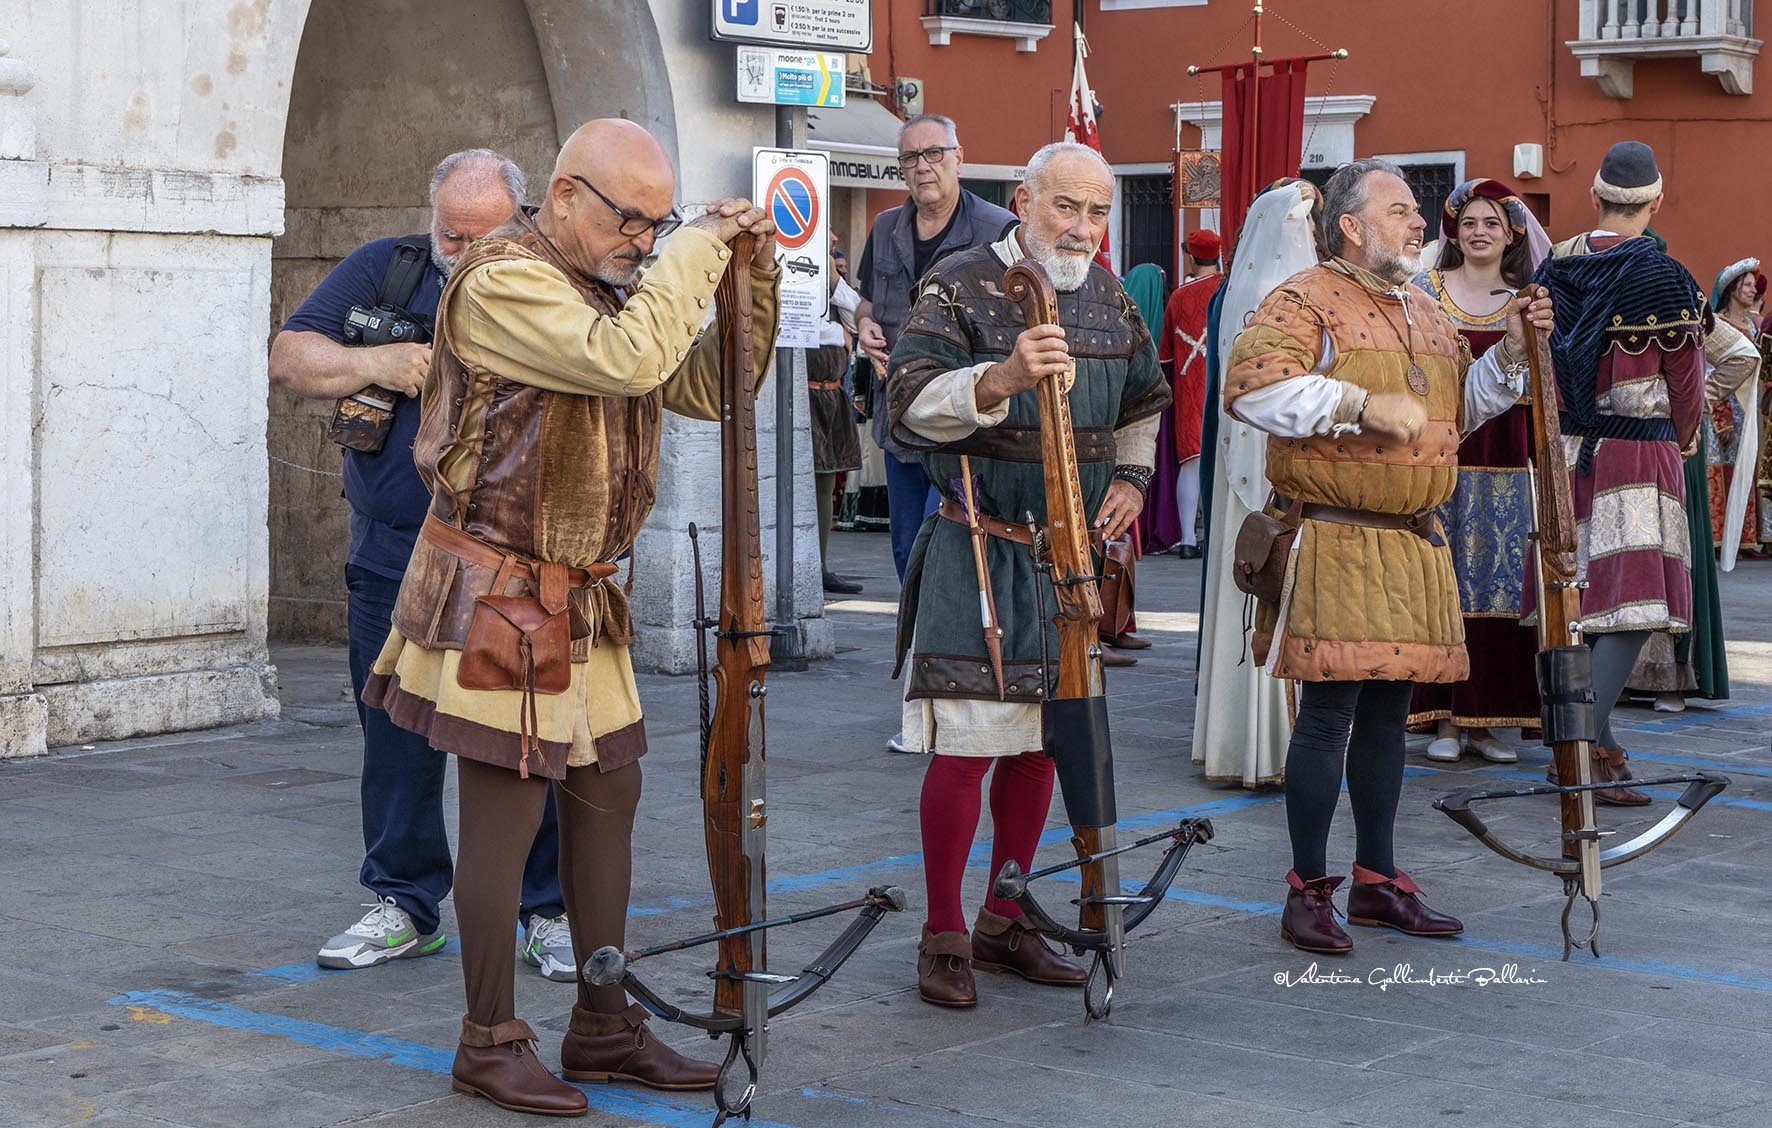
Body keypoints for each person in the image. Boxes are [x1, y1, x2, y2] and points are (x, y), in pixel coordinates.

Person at [361, 119, 781, 1115]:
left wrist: (751, 283)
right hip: (500, 592)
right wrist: (694, 249)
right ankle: (486, 1040)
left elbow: (706, 385)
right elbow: (627, 361)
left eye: (657, 222)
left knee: (607, 794)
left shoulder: (605, 284)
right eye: (630, 219)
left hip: (580, 590)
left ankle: (602, 1025)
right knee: (505, 814)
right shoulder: (502, 280)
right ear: (563, 196)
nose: (643, 239)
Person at [1225, 157, 1553, 954]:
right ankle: (1307, 892)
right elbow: (1254, 390)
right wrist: (1360, 404)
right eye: (1400, 210)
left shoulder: (1427, 309)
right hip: (1335, 536)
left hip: (1414, 542)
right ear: (1351, 226)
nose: (1418, 223)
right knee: (1329, 715)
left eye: (1414, 211)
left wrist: (1511, 352)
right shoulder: (1301, 298)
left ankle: (1376, 881)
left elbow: (1459, 410)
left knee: (1386, 716)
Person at [270, 149, 578, 981]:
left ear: (520, 222)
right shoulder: (390, 267)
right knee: (395, 738)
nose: (463, 251)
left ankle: (546, 909)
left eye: (481, 236)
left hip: (512, 561)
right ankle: (404, 904)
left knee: (524, 735)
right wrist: (375, 363)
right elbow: (289, 356)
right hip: (395, 553)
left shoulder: (554, 280)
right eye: (451, 235)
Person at [885, 141, 1170, 1007]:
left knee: (1044, 745)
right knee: (969, 745)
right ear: (1023, 201)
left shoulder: (1111, 297)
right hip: (979, 546)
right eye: (1066, 207)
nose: (1082, 228)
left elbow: (1144, 402)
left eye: (1097, 211)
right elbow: (904, 404)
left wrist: (1131, 477)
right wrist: (999, 378)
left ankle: (1003, 922)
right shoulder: (960, 283)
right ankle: (943, 934)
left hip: (1066, 562)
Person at [1531, 140, 1705, 807]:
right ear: (1656, 201)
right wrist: (1683, 439)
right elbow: (1685, 383)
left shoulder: (1554, 266)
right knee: (1633, 609)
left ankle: (1598, 752)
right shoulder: (1664, 275)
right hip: (1637, 453)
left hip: (1568, 452)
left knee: (1580, 607)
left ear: (1595, 196)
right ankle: (1574, 754)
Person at [856, 113, 1016, 754]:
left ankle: (958, 699)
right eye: (910, 158)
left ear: (958, 157)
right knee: (906, 554)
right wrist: (864, 327)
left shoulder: (997, 229)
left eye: (934, 154)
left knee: (953, 553)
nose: (922, 167)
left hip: (967, 427)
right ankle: (928, 700)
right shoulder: (885, 228)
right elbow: (867, 301)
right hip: (903, 421)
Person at [1407, 180, 1551, 764]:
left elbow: (1544, 384)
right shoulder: (1425, 292)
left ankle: (1488, 719)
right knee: (1442, 580)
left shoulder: (1528, 300)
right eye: (1469, 222)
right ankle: (1443, 718)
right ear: (1453, 231)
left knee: (1499, 584)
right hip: (1441, 459)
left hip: (1508, 463)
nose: (1479, 232)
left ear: (1511, 234)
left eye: (1491, 222)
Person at [1191, 180, 1319, 789]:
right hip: (1274, 474)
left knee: (1241, 598)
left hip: (1237, 468)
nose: (1312, 236)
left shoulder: (1234, 290)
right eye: (1305, 225)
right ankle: (1273, 750)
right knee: (1270, 593)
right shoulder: (1288, 295)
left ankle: (1240, 746)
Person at [1626, 262, 1761, 710]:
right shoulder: (1606, 296)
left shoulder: (1683, 302)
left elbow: (1743, 355)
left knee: (1671, 551)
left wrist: (1695, 399)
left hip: (1674, 442)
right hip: (1621, 443)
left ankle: (1672, 676)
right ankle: (1624, 673)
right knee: (1627, 554)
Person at [1160, 229, 1225, 560]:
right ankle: (1218, 538)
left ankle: (1187, 539)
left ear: (1190, 257)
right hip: (1226, 388)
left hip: (1189, 391)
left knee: (1191, 464)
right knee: (1223, 467)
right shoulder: (1230, 289)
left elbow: (1165, 355)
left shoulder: (1179, 297)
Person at [815, 233, 865, 594]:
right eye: (829, 230)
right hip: (808, 393)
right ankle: (811, 564)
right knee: (812, 480)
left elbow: (858, 316)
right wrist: (838, 331)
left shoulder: (832, 285)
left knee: (828, 478)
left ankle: (820, 564)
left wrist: (834, 279)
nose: (834, 237)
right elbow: (815, 329)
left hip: (832, 394)